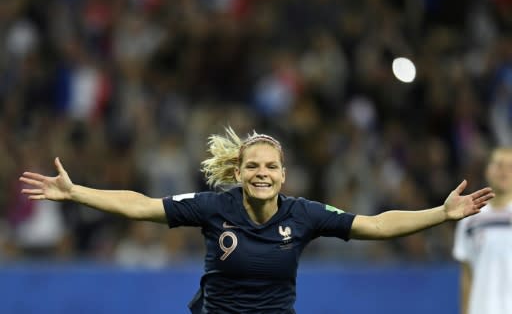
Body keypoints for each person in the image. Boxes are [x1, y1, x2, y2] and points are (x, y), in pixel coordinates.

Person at [20, 127, 494, 314]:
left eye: (270, 167)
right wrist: (77, 192)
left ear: (283, 175)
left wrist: (441, 214)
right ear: (240, 173)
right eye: (253, 166)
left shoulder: (304, 214)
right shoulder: (214, 207)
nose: (262, 173)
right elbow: (142, 205)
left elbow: (375, 224)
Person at [453, 146, 512, 314]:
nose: (504, 172)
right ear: (487, 170)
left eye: (510, 167)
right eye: (499, 165)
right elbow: (466, 275)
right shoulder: (470, 218)